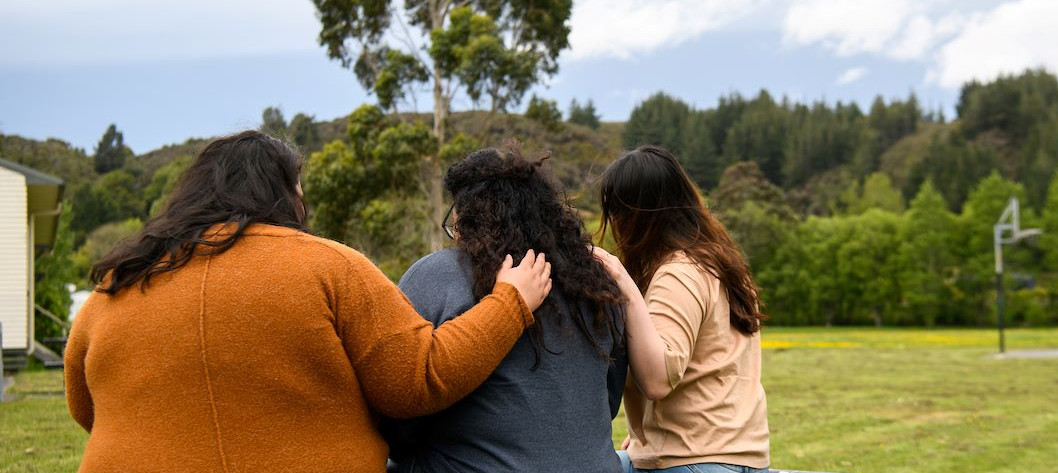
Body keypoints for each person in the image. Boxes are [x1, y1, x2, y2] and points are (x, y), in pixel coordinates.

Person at [63, 131, 553, 473]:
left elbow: (84, 407)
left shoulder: (118, 282)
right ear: (286, 195)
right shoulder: (327, 266)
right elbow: (418, 380)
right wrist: (509, 302)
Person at [382, 144, 629, 472]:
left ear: (464, 214)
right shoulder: (595, 284)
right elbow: (608, 403)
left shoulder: (437, 276)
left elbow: (401, 415)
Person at [594, 145, 771, 473]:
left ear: (642, 214)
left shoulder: (679, 272)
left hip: (694, 460)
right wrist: (649, 439)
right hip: (737, 455)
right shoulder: (719, 263)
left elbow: (658, 380)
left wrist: (623, 282)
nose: (616, 224)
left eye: (619, 211)